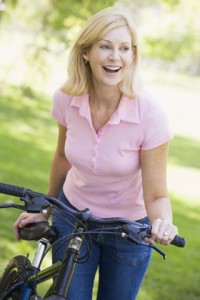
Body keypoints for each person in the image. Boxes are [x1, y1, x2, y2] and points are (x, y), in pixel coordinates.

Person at [14, 6, 178, 300]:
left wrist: (163, 222)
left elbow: (156, 195)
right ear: (86, 52)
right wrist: (46, 206)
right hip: (72, 216)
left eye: (124, 48)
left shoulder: (150, 114)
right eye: (105, 46)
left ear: (133, 56)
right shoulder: (67, 99)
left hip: (128, 231)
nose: (116, 57)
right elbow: (63, 156)